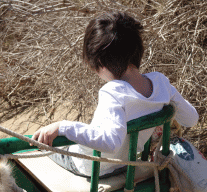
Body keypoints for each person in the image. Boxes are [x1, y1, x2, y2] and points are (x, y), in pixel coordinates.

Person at [30, 11, 199, 178]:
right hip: (127, 163)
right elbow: (191, 119)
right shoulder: (160, 83)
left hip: (92, 168)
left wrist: (62, 126)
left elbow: (110, 144)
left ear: (101, 63)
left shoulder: (113, 92)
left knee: (32, 147)